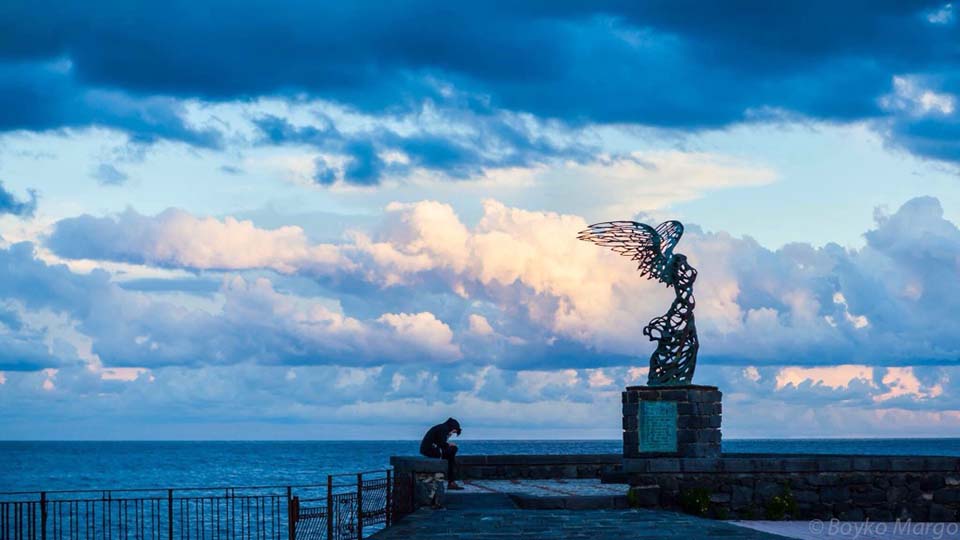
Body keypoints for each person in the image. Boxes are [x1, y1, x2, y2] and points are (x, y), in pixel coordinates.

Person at [419, 417, 463, 490]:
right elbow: (441, 444)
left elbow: (439, 442)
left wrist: (448, 441)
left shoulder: (442, 428)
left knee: (451, 459)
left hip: (429, 449)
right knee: (453, 450)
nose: (453, 433)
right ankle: (451, 482)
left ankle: (451, 481)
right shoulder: (443, 429)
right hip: (430, 450)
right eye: (454, 431)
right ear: (452, 427)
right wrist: (450, 444)